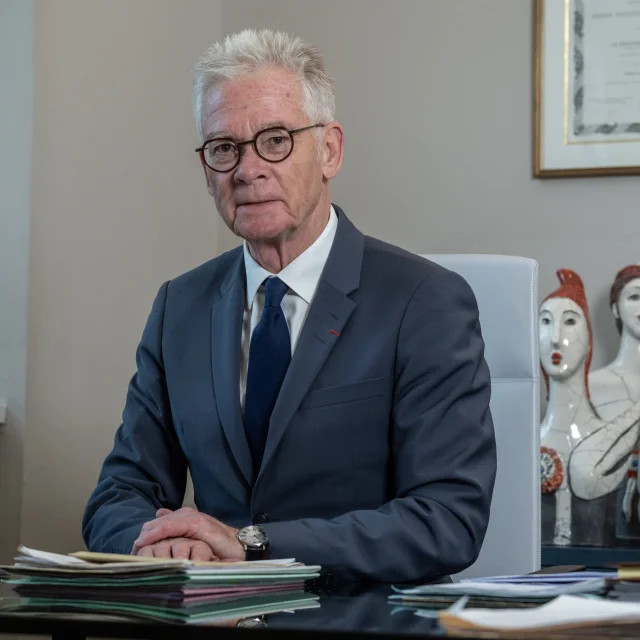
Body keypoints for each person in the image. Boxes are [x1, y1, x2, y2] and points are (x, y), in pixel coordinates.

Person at [82, 29, 496, 583]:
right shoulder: (179, 306)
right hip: (212, 617)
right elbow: (118, 494)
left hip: (360, 621)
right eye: (224, 148)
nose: (247, 169)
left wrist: (252, 546)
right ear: (207, 169)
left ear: (329, 150)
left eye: (275, 140)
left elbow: (447, 519)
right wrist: (161, 544)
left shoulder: (425, 302)